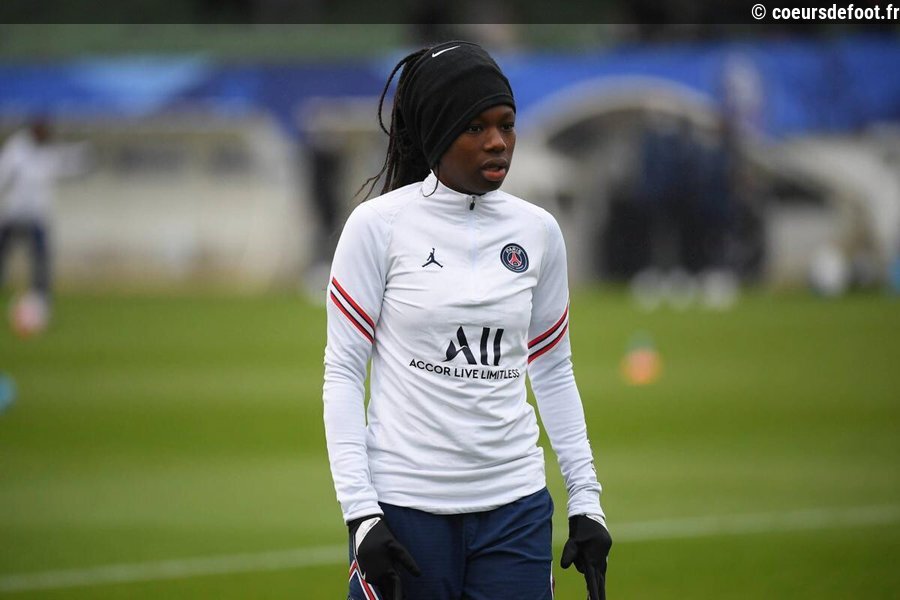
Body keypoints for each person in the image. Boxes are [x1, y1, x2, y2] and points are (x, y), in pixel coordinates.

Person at [323, 41, 611, 600]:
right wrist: (360, 513)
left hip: (517, 511)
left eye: (506, 124)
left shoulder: (539, 232)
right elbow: (342, 373)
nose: (497, 141)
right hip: (404, 510)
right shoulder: (377, 227)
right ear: (436, 132)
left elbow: (553, 369)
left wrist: (586, 500)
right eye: (475, 126)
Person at [0, 117, 90, 300]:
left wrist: (83, 157)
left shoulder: (49, 151)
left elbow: (66, 164)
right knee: (3, 250)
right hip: (14, 212)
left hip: (38, 215)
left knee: (40, 258)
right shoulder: (16, 148)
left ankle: (39, 295)